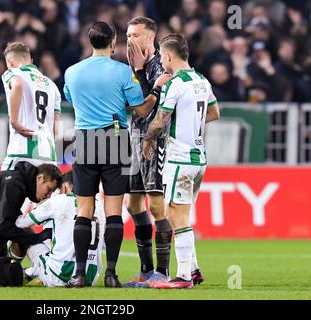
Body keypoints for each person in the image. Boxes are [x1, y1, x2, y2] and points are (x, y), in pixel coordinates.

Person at [63, 21, 171, 288]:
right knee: (113, 212)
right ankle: (111, 275)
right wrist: (156, 90)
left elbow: (71, 98)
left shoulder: (71, 72)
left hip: (84, 139)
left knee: (84, 211)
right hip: (115, 139)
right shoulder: (122, 72)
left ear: (90, 42)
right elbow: (142, 109)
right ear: (113, 43)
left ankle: (79, 274)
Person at [142, 34, 220, 289]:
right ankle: (194, 269)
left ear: (167, 56)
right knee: (179, 212)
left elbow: (161, 119)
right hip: (199, 158)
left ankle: (183, 277)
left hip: (179, 157)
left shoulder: (174, 84)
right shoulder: (202, 81)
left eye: (162, 57)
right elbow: (214, 113)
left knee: (176, 215)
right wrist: (191, 123)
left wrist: (147, 140)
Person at [124, 16, 173, 288]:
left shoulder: (159, 66)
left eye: (136, 35)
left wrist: (142, 72)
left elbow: (150, 106)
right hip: (133, 138)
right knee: (133, 204)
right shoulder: (132, 67)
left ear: (150, 38)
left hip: (154, 140)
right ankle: (146, 270)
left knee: (155, 205)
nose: (131, 40)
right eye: (128, 35)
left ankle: (163, 273)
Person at [14, 171, 104, 287]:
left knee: (25, 230)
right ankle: (32, 272)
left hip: (59, 276)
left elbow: (22, 222)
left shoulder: (60, 201)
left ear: (65, 187)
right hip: (90, 278)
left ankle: (20, 269)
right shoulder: (100, 206)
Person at [0, 42, 61, 171]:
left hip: (22, 152)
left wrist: (14, 120)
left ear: (9, 63)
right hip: (49, 156)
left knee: (0, 189)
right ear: (31, 60)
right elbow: (56, 129)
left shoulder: (12, 73)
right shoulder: (52, 85)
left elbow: (17, 84)